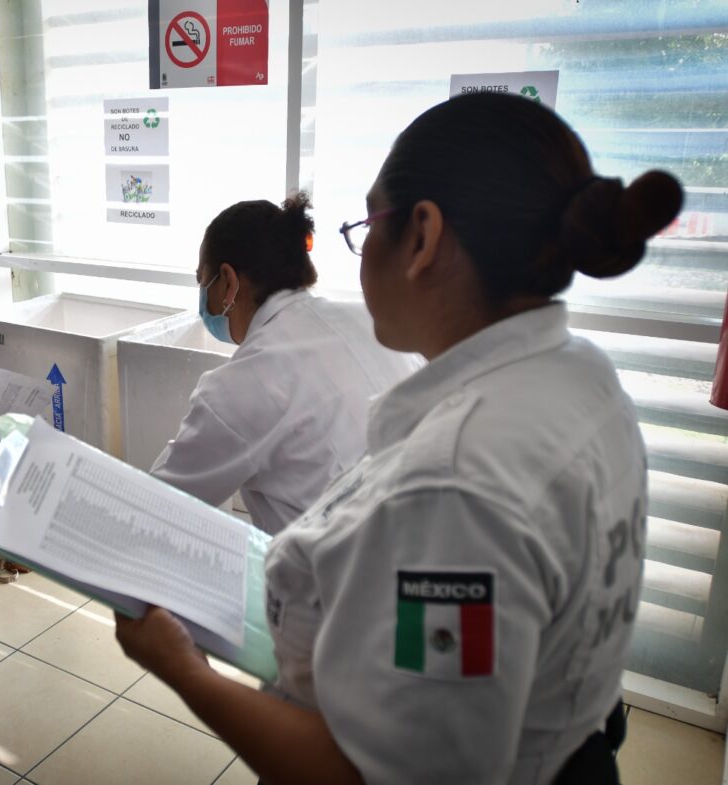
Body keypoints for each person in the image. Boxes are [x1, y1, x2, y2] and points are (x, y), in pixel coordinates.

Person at [115, 91, 683, 784]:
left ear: (422, 235)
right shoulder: (584, 374)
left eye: (368, 225)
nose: (360, 255)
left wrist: (186, 671)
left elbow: (385, 774)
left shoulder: (457, 486)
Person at [151, 193, 421, 535]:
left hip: (338, 576)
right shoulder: (373, 320)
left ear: (229, 281)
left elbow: (158, 503)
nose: (203, 295)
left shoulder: (241, 384)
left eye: (202, 280)